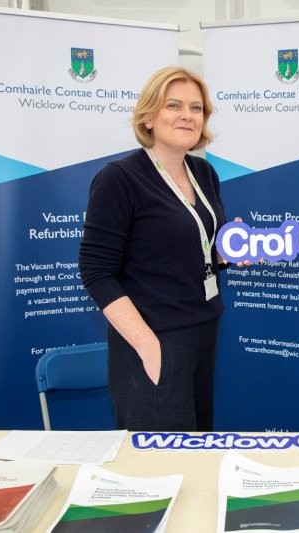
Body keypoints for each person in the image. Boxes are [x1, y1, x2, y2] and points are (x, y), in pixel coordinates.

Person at [79, 67, 227, 431]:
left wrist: (228, 250)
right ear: (148, 117)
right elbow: (97, 271)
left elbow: (195, 254)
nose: (187, 115)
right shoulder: (120, 178)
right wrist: (147, 345)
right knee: (160, 456)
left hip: (203, 333)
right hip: (153, 338)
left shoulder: (203, 173)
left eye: (196, 108)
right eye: (173, 105)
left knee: (197, 449)